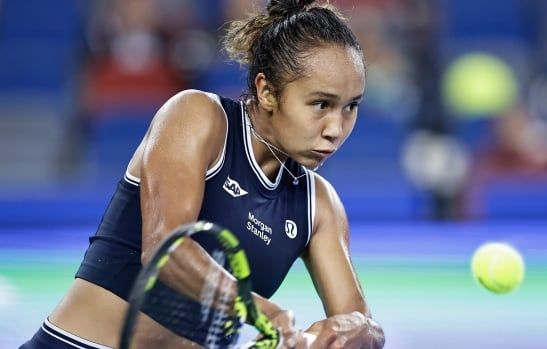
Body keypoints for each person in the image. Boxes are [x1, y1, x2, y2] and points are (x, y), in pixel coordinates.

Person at [20, 0, 385, 348]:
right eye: (320, 104)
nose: (336, 129)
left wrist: (357, 329)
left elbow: (360, 322)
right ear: (267, 91)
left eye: (351, 107)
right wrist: (268, 315)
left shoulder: (319, 205)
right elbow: (167, 249)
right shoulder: (197, 117)